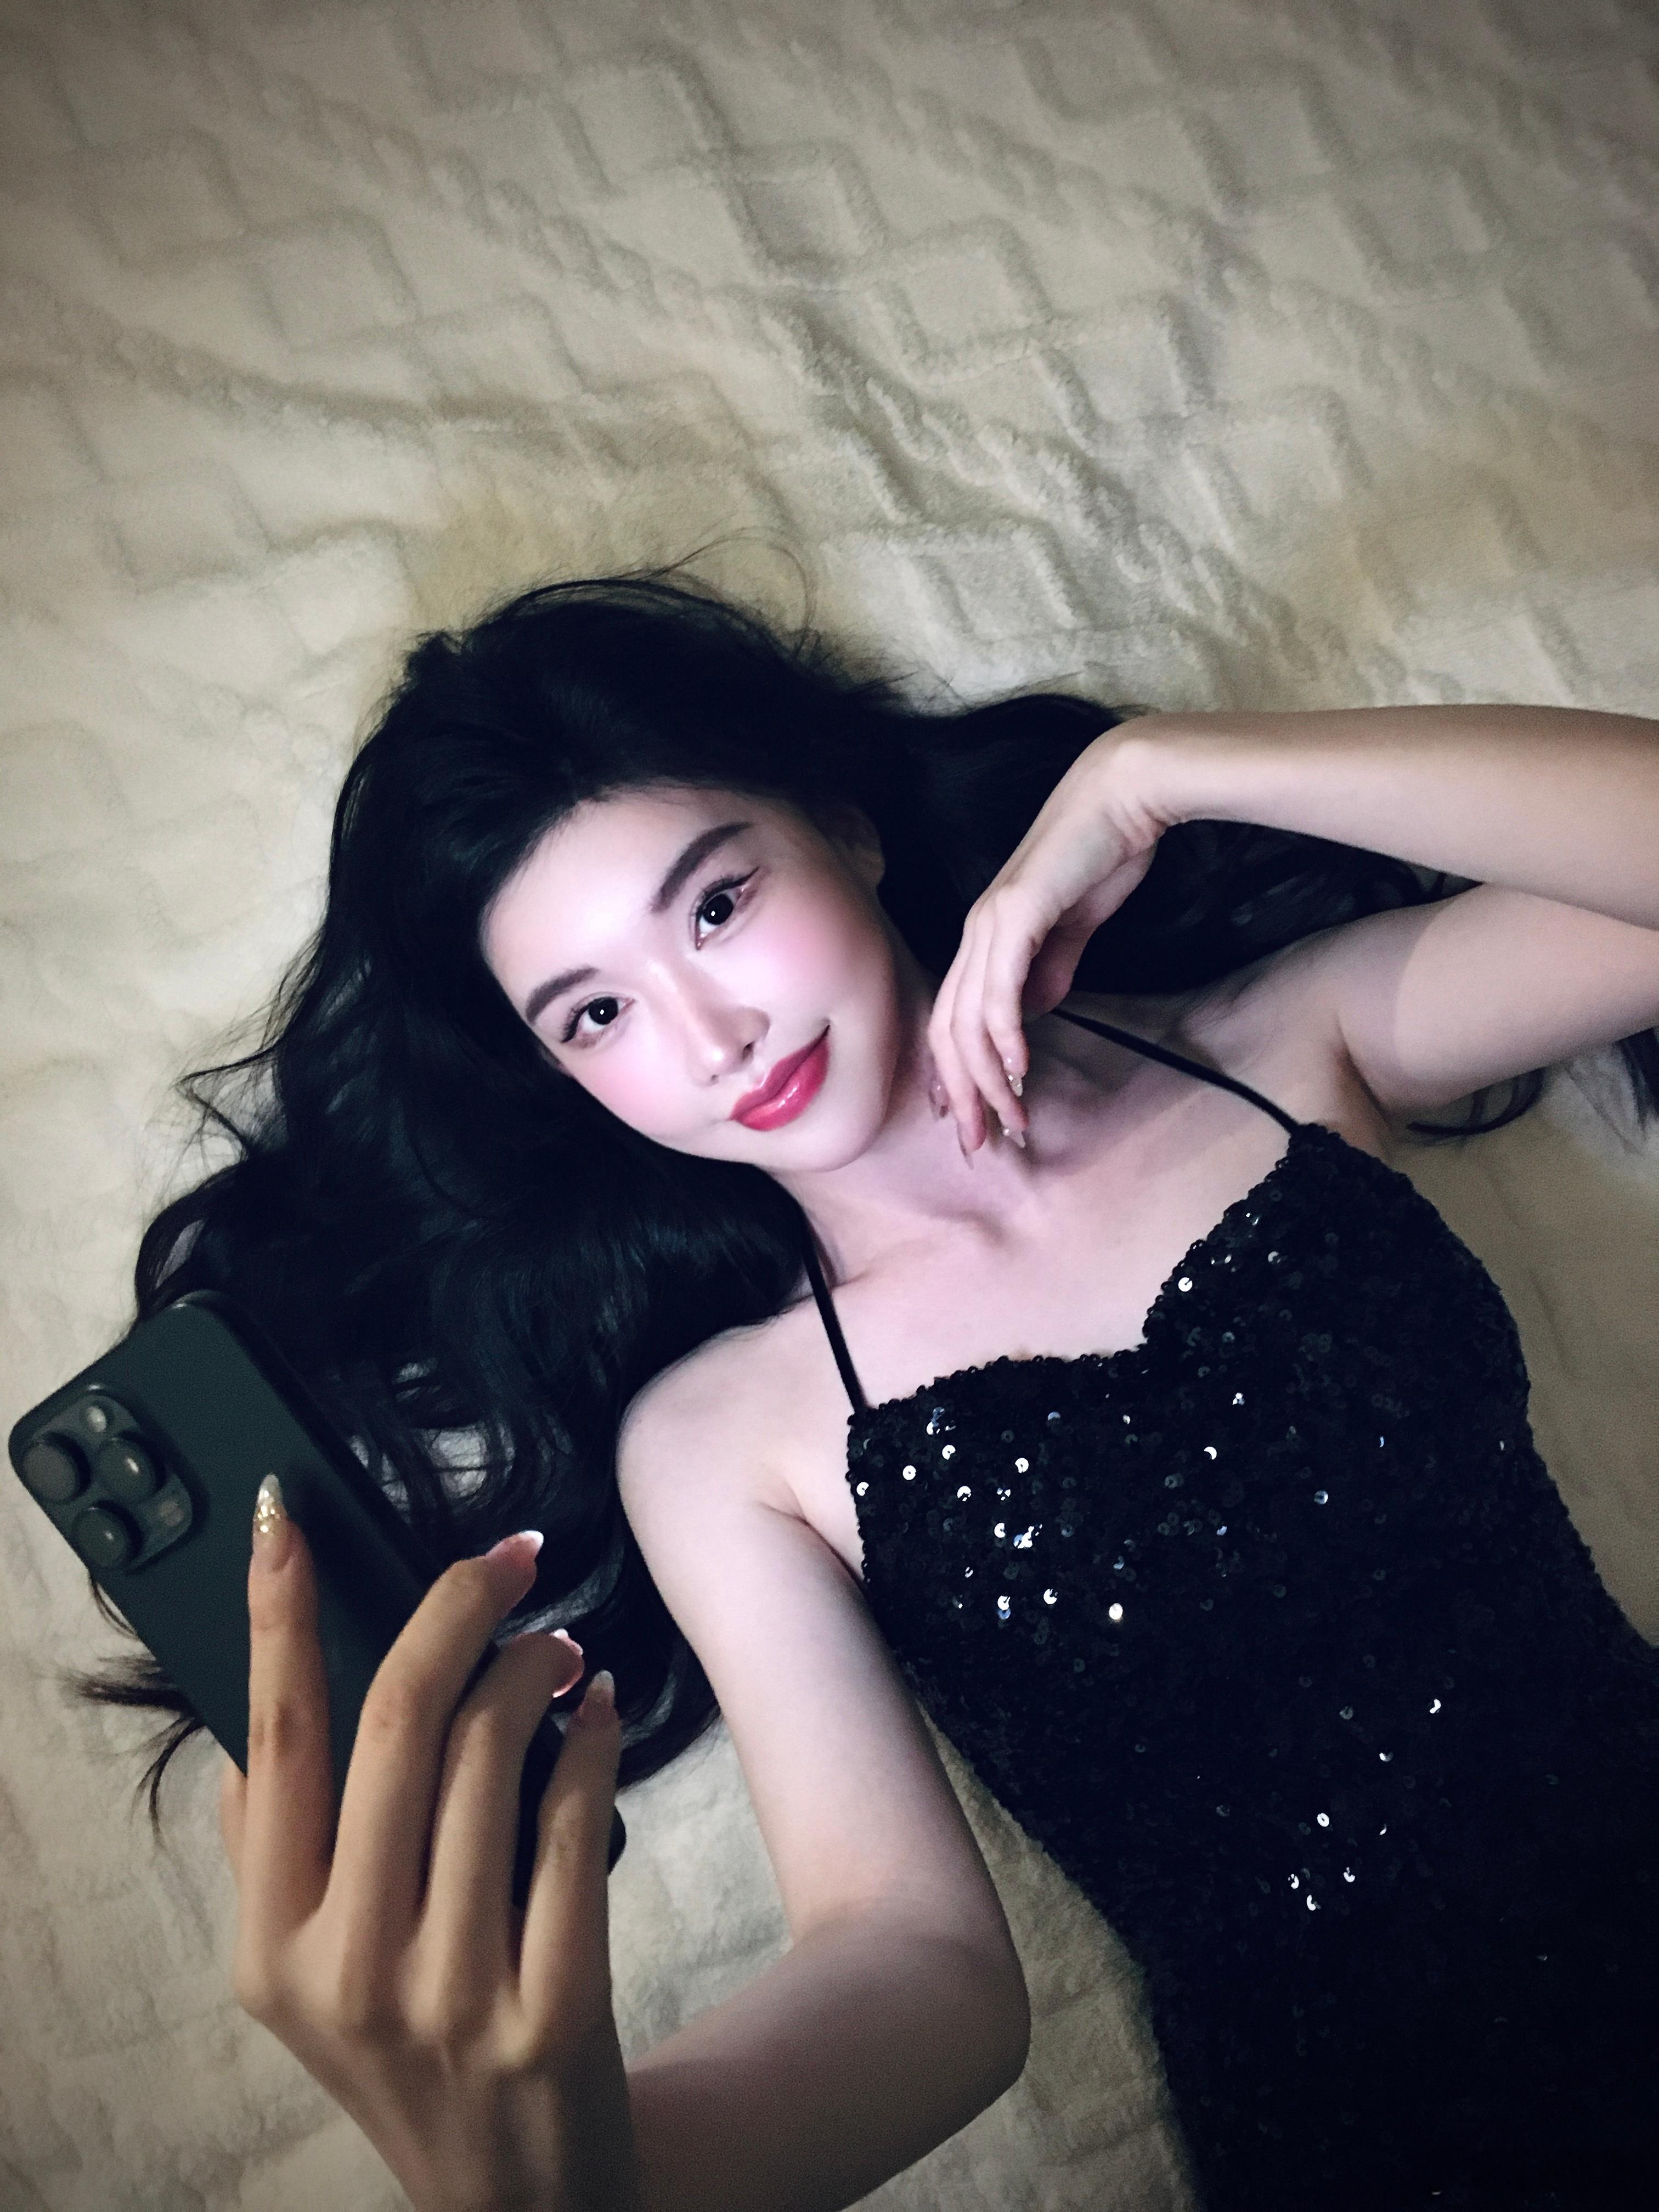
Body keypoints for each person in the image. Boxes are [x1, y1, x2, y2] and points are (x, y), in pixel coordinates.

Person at [75, 574, 1659, 2210]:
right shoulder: (723, 1442)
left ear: (847, 826)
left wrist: (1154, 773)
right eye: (599, 1014)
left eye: (716, 905)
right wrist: (593, 2176)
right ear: (562, 1078)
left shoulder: (1280, 1050)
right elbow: (914, 1965)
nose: (711, 1034)